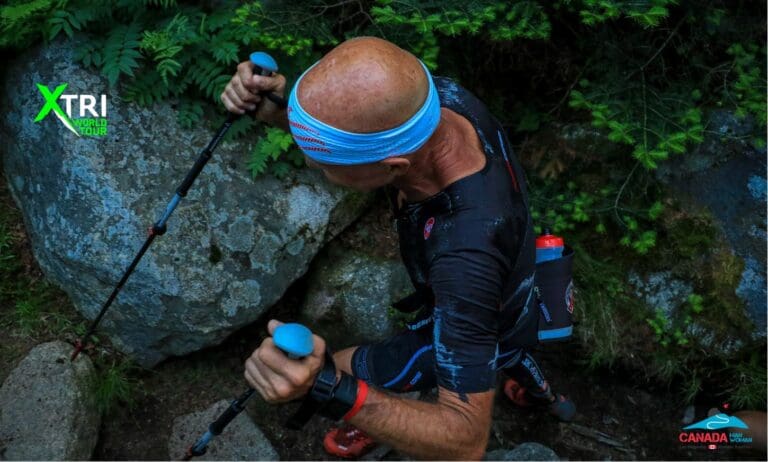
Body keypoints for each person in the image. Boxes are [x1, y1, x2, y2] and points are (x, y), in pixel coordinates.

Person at [221, 37, 575, 460]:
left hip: (479, 307)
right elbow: (361, 122)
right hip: (509, 286)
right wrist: (277, 105)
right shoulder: (435, 98)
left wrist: (330, 387)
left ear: (392, 167)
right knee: (503, 349)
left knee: (347, 365)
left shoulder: (465, 255)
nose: (314, 166)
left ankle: (387, 424)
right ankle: (540, 392)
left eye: (326, 165)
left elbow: (465, 441)